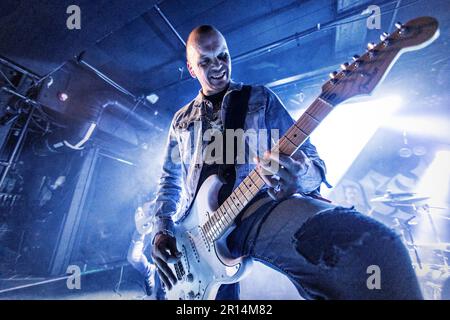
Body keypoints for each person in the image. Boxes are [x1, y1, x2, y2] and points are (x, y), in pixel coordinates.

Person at [150, 25, 423, 299]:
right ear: (191, 68)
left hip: (251, 212)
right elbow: (169, 181)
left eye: (223, 56)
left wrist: (298, 175)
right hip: (193, 236)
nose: (218, 66)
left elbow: (315, 165)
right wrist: (161, 231)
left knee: (371, 251)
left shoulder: (260, 99)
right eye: (206, 61)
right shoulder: (181, 121)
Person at [127, 201, 165, 299]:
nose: (152, 209)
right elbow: (134, 257)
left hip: (166, 227)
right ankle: (150, 272)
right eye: (151, 207)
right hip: (148, 229)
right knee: (133, 257)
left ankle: (162, 291)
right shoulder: (141, 212)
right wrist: (141, 230)